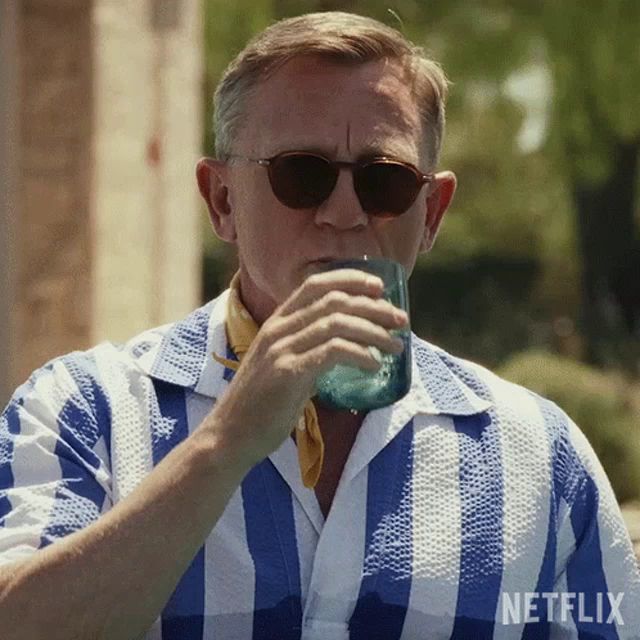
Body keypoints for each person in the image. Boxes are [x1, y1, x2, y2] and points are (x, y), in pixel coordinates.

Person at [0, 11, 638, 640]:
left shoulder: (538, 454)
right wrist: (224, 443)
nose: (343, 211)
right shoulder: (87, 409)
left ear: (433, 211)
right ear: (222, 201)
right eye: (300, 173)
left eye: (383, 181)